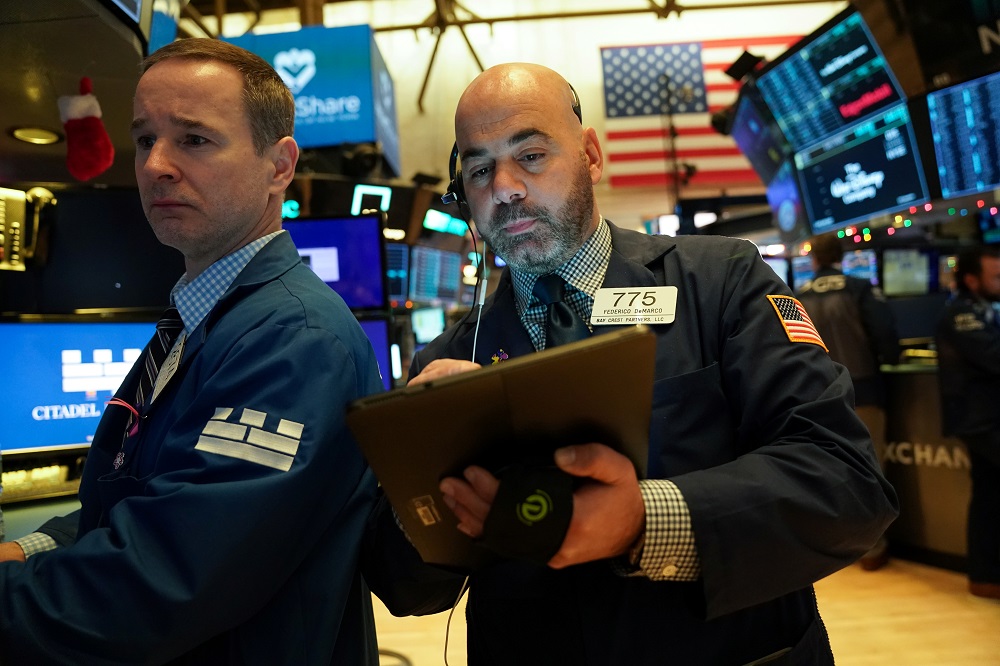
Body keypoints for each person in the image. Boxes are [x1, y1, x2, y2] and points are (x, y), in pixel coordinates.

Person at [404, 63, 899, 664]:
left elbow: (848, 484)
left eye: (531, 155)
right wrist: (427, 472)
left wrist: (644, 518)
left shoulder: (721, 282)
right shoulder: (450, 359)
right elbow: (409, 590)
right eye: (480, 170)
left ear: (590, 154)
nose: (505, 188)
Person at [0, 39, 386, 663]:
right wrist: (33, 547)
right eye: (146, 138)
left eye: (194, 140)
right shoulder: (202, 313)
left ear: (279, 165)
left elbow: (159, 582)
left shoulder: (292, 340)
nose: (156, 165)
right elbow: (145, 494)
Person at [796, 232, 900, 571]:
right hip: (864, 388)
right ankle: (872, 550)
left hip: (817, 397)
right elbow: (884, 333)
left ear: (814, 260)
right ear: (841, 255)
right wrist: (891, 358)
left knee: (827, 470)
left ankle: (832, 548)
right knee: (871, 469)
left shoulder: (796, 296)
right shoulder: (858, 288)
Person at [935, 246, 1000, 600]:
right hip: (980, 420)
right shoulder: (962, 315)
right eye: (996, 277)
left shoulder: (982, 309)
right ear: (972, 279)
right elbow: (994, 357)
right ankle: (985, 575)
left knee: (989, 496)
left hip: (987, 418)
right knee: (988, 498)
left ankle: (986, 576)